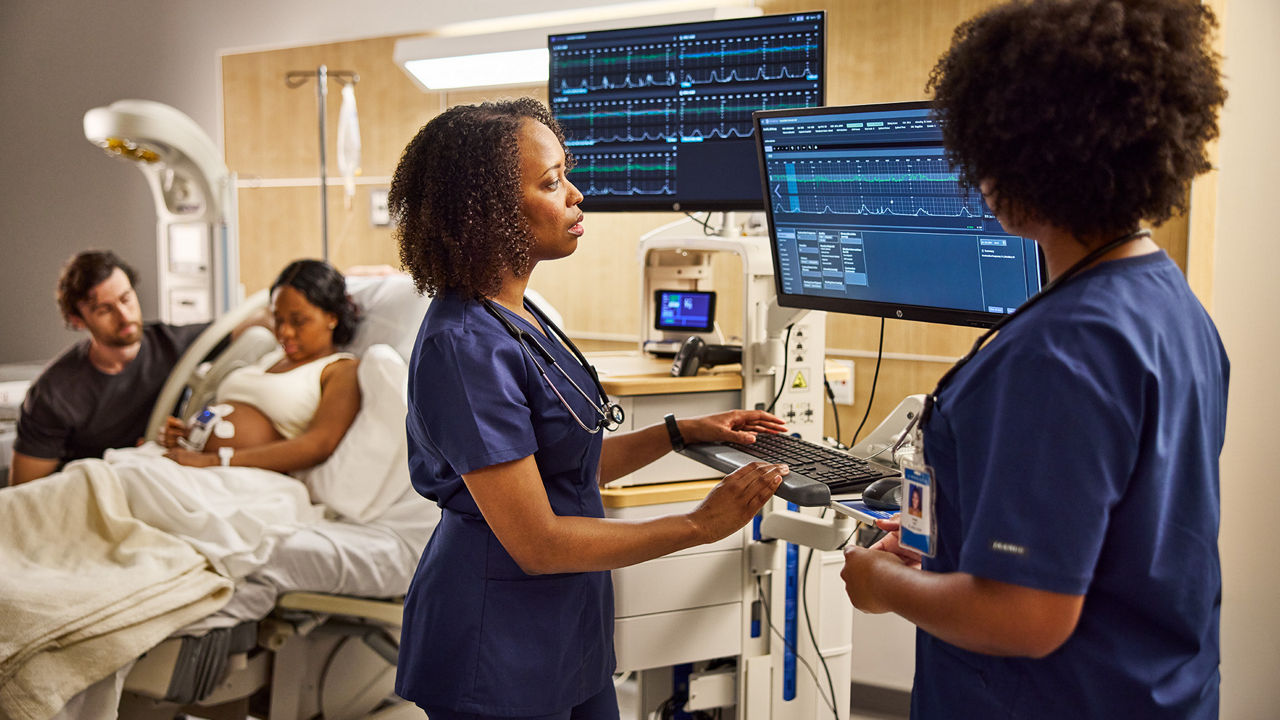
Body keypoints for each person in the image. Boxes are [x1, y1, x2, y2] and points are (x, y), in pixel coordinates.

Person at [840, 1, 1228, 718]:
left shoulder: (1061, 349)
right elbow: (1113, 536)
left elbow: (1026, 615)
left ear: (1023, 154)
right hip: (1156, 691)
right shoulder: (1169, 302)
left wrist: (878, 583)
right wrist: (952, 545)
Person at [388, 98, 788, 719]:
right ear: (487, 212)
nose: (577, 196)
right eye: (551, 183)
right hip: (496, 640)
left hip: (567, 624)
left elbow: (566, 468)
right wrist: (699, 526)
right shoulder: (464, 347)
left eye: (566, 174)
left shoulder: (520, 315)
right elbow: (538, 542)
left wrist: (679, 433)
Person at [9, 250, 209, 485]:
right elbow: (25, 491)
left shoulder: (178, 344)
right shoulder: (54, 393)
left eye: (126, 299)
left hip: (163, 482)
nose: (124, 316)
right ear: (78, 320)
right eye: (104, 310)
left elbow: (249, 324)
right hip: (91, 492)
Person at [159, 259, 361, 474]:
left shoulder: (339, 370)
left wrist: (215, 460)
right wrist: (188, 431)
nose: (284, 332)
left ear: (332, 317)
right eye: (278, 319)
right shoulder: (271, 359)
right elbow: (223, 410)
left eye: (298, 321)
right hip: (198, 463)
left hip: (244, 477)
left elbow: (318, 445)